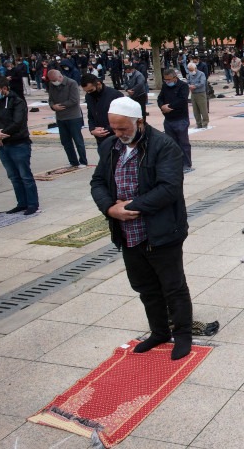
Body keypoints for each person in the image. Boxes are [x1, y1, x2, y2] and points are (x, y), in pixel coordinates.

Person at [90, 97, 193, 361]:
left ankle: (182, 335)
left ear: (139, 121)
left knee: (173, 287)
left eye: (123, 128)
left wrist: (132, 206)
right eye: (114, 128)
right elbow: (98, 182)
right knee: (145, 287)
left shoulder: (164, 146)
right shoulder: (110, 147)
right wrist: (110, 209)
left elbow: (169, 188)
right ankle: (159, 332)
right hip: (128, 233)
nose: (119, 134)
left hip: (161, 230)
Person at [0, 75, 39, 215]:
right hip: (3, 145)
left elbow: (18, 123)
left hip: (19, 143)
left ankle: (32, 204)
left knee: (25, 176)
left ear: (4, 88)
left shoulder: (17, 102)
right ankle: (21, 203)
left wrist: (1, 133)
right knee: (13, 176)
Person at [47, 70, 88, 167]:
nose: (53, 82)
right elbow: (50, 99)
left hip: (73, 116)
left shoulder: (71, 83)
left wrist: (60, 106)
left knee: (78, 140)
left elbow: (74, 100)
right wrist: (53, 106)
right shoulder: (52, 85)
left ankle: (83, 161)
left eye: (54, 80)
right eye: (51, 80)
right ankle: (73, 161)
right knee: (65, 141)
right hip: (61, 118)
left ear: (60, 77)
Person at [158, 69, 193, 169]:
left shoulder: (183, 86)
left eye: (169, 80)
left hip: (180, 118)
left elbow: (182, 100)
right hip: (168, 119)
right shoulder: (165, 86)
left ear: (175, 78)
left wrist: (169, 106)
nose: (167, 82)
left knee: (183, 142)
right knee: (171, 143)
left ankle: (186, 163)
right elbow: (160, 98)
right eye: (166, 80)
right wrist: (162, 106)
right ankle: (175, 162)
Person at [81, 74, 123, 151]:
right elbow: (91, 115)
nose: (89, 93)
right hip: (100, 139)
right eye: (86, 91)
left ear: (98, 84)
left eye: (91, 90)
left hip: (115, 138)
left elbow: (123, 118)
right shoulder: (89, 97)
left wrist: (105, 129)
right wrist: (92, 129)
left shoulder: (115, 95)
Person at [186, 62, 209, 129]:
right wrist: (189, 86)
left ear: (195, 68)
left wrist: (195, 86)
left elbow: (202, 83)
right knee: (195, 110)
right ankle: (198, 124)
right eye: (189, 70)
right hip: (193, 94)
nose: (191, 71)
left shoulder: (201, 74)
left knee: (203, 109)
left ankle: (205, 123)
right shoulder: (189, 75)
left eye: (191, 70)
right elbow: (187, 82)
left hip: (200, 93)